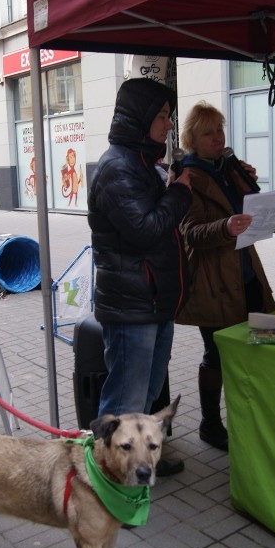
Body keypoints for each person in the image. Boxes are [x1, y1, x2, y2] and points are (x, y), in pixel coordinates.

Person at [87, 78, 193, 476]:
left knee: (145, 395)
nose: (168, 124)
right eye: (162, 116)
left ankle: (139, 463)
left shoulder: (142, 164)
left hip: (151, 302)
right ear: (141, 118)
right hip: (133, 307)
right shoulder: (117, 168)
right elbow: (147, 229)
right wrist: (180, 192)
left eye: (168, 116)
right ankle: (102, 478)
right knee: (123, 402)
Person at [176, 101, 275, 452]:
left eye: (219, 129)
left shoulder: (227, 167)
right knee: (216, 353)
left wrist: (247, 182)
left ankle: (244, 416)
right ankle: (209, 423)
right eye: (208, 132)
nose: (217, 137)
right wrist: (226, 226)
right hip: (213, 280)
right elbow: (190, 232)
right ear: (192, 138)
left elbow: (251, 204)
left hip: (244, 272)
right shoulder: (187, 176)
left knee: (250, 348)